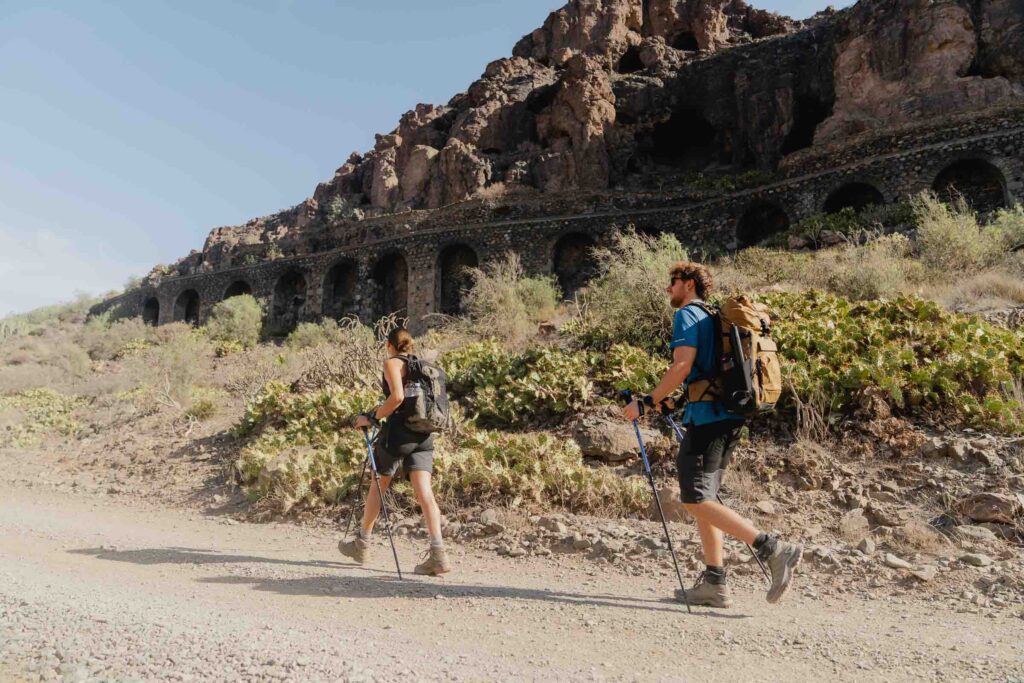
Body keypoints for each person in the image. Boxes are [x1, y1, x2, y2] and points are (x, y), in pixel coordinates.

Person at [622, 261, 802, 608]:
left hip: (709, 421)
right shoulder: (712, 316)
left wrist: (646, 402)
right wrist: (669, 403)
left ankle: (773, 548)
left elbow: (682, 366)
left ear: (688, 283)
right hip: (726, 415)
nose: (668, 289)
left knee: (693, 498)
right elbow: (705, 376)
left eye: (671, 282)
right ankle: (715, 582)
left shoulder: (688, 314)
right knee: (707, 498)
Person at [339, 327, 451, 576]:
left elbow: (397, 397)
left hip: (399, 434)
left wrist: (371, 417)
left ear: (390, 345)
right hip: (423, 434)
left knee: (378, 484)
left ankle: (362, 544)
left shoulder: (391, 362)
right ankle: (438, 553)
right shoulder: (420, 366)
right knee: (425, 493)